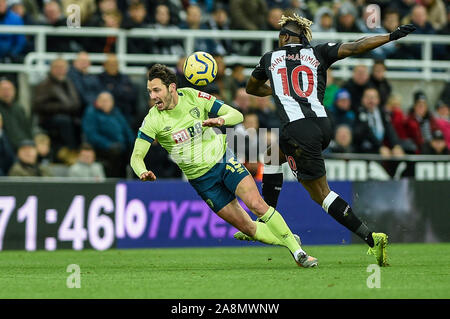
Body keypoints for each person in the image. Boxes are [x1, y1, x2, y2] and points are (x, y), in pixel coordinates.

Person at [245, 13, 416, 266]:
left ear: (284, 38)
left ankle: (372, 238)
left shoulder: (270, 58)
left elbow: (251, 88)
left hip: (298, 130)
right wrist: (390, 36)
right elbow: (357, 46)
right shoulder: (318, 52)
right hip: (323, 126)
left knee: (321, 195)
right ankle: (266, 218)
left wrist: (278, 90)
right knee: (272, 152)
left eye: (280, 35)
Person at [130, 64, 317, 268]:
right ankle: (288, 238)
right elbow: (136, 156)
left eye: (157, 90)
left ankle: (298, 252)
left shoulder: (192, 97)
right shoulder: (152, 120)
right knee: (248, 228)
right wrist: (142, 171)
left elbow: (237, 115)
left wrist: (219, 120)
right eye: (150, 91)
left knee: (257, 205)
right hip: (202, 182)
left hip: (223, 160)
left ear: (172, 87)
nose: (152, 96)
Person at [82, 91, 134, 178]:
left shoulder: (116, 112)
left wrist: (135, 142)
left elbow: (126, 129)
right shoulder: (91, 112)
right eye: (103, 101)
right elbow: (92, 135)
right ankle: (114, 182)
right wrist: (108, 145)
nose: (105, 103)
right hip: (102, 148)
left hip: (121, 146)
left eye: (108, 101)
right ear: (97, 102)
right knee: (115, 154)